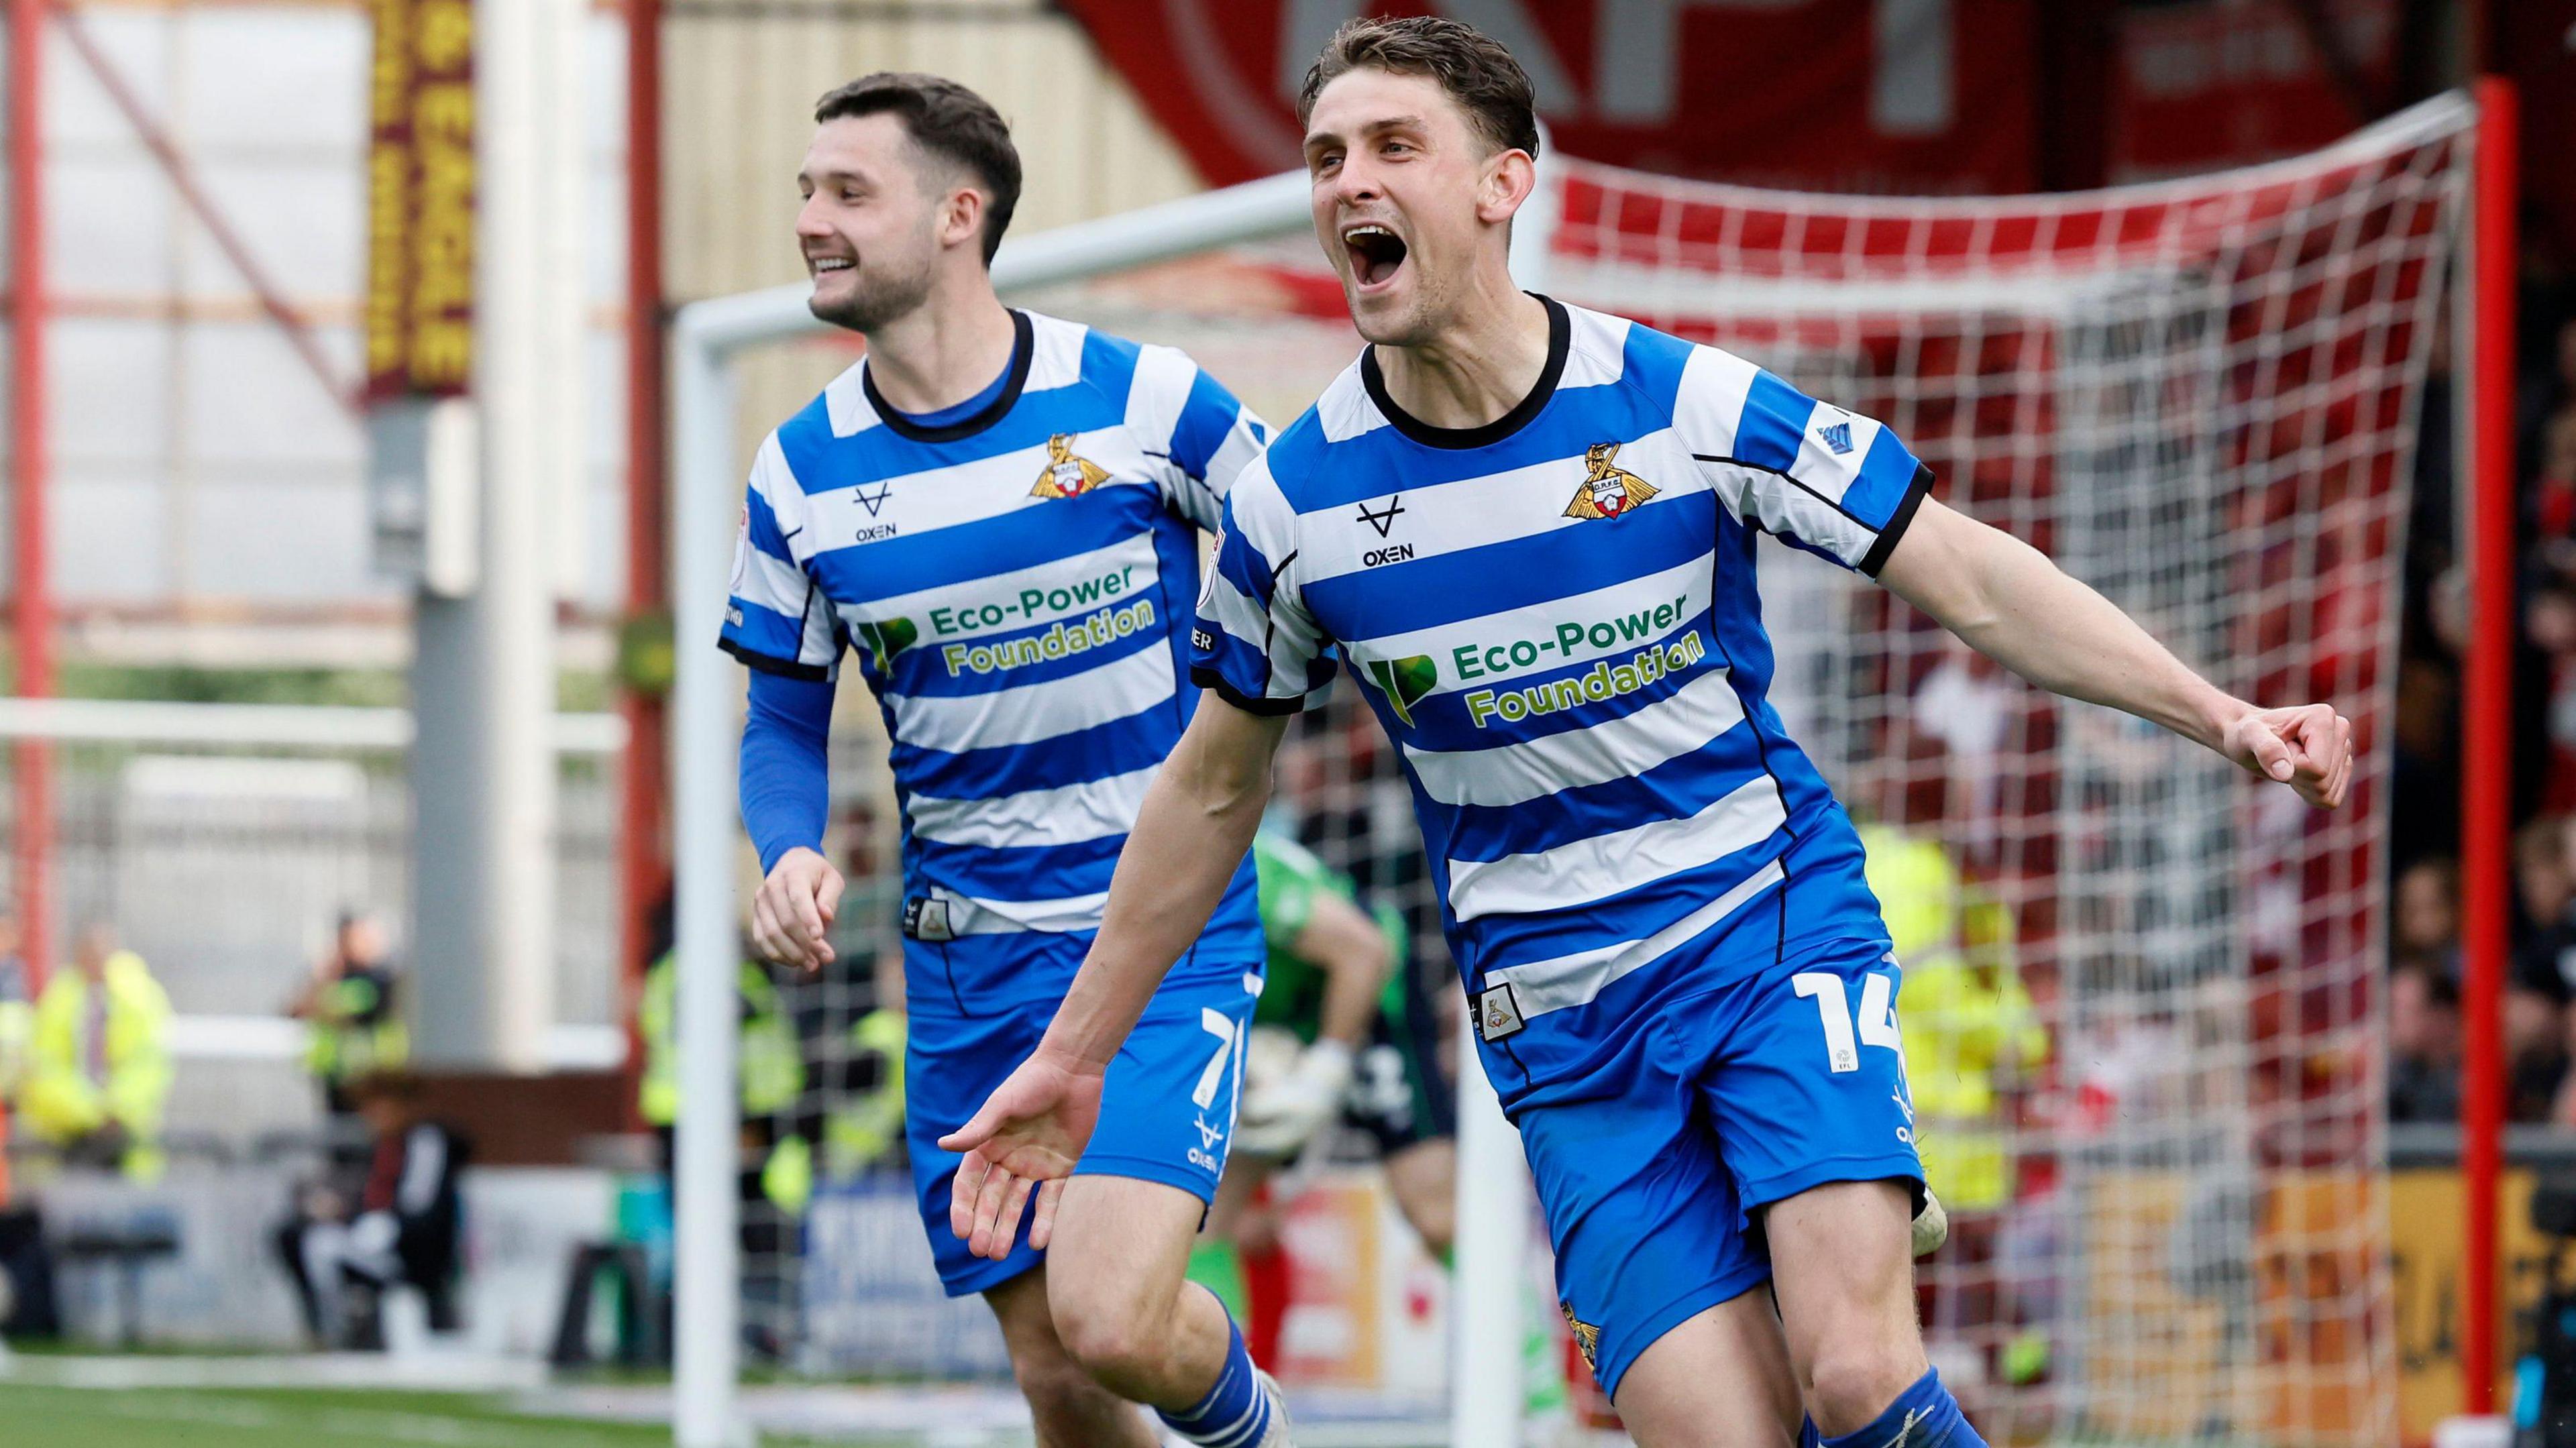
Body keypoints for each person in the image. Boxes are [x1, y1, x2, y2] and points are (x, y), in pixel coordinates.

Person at [941, 18, 2354, 1448]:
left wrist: (2221, 713)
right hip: (1564, 1030)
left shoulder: (1683, 402)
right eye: (1325, 157)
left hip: (1765, 928)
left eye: (1392, 148)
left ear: (1505, 183)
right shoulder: (1289, 505)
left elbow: (1973, 576)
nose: (1347, 183)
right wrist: (1074, 1051)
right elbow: (1206, 792)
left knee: (1857, 1371)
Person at [718, 72, 1288, 1446]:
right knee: (1059, 1376)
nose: (810, 219)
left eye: (849, 191)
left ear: (957, 215)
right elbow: (786, 719)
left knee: (1113, 1312)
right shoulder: (798, 474)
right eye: (806, 190)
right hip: (971, 964)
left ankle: (1258, 1424)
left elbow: (1299, 550)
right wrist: (787, 844)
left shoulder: (1144, 399)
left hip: (1157, 933)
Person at [1189, 830, 1454, 1318]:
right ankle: (1223, 1389)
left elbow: (1364, 950)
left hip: (1371, 996)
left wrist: (1326, 1066)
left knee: (1437, 1215)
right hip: (1275, 1030)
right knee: (1200, 1222)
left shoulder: (1241, 869)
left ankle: (1540, 1390)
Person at [273, 1070, 466, 1349]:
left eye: (378, 1107)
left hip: (412, 1250)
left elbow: (419, 1206)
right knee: (293, 1234)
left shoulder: (425, 1141)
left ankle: (339, 1330)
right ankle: (325, 1326)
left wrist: (384, 1225)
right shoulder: (382, 1145)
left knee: (320, 1247)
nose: (371, 1116)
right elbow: (368, 1196)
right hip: (375, 1237)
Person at [18, 923, 172, 1181]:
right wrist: (91, 1112)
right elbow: (45, 1068)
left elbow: (148, 1064)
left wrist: (115, 1110)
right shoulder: (58, 999)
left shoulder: (139, 998)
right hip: (67, 1136)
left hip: (126, 1139)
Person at [286, 911, 411, 1122]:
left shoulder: (381, 979)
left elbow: (336, 1012)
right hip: (336, 1075)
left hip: (374, 1078)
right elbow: (296, 1010)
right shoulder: (334, 977)